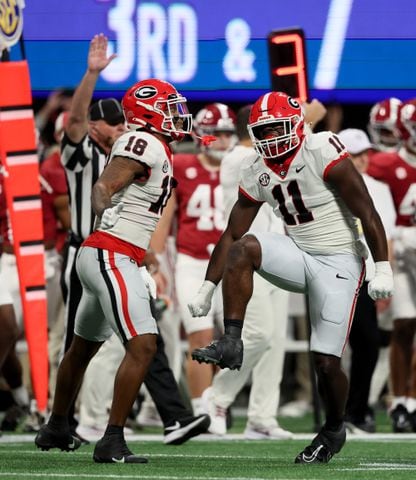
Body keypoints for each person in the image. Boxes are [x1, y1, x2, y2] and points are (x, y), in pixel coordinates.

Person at [189, 91, 394, 464]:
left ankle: (334, 427)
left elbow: (367, 211)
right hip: (299, 253)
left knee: (326, 363)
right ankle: (232, 341)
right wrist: (208, 286)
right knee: (246, 246)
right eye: (262, 131)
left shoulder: (320, 149)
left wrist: (382, 266)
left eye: (276, 128)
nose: (270, 138)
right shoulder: (256, 169)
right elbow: (232, 234)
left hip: (340, 261)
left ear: (297, 124)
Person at [56, 34, 209, 446]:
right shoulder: (142, 141)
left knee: (82, 348)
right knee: (143, 345)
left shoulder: (153, 144)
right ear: (148, 113)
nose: (178, 116)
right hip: (111, 254)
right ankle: (113, 437)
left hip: (106, 253)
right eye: (170, 110)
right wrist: (103, 199)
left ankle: (55, 426)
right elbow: (105, 185)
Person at [151, 103, 237, 416]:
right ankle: (203, 409)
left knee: (237, 339)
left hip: (233, 267)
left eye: (229, 134)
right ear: (202, 136)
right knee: (200, 336)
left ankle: (219, 402)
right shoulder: (183, 166)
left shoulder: (241, 167)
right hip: (193, 264)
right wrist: (156, 260)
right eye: (217, 135)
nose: (224, 141)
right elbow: (165, 218)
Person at [338, 128, 396, 433]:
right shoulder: (327, 186)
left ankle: (357, 410)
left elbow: (388, 235)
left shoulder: (378, 187)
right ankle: (342, 411)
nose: (362, 160)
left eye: (364, 154)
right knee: (332, 347)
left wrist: (386, 273)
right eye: (355, 154)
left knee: (368, 344)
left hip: (368, 274)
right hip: (335, 270)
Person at [368, 98, 416, 432]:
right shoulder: (384, 165)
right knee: (403, 325)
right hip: (400, 255)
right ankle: (399, 401)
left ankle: (411, 400)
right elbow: (378, 216)